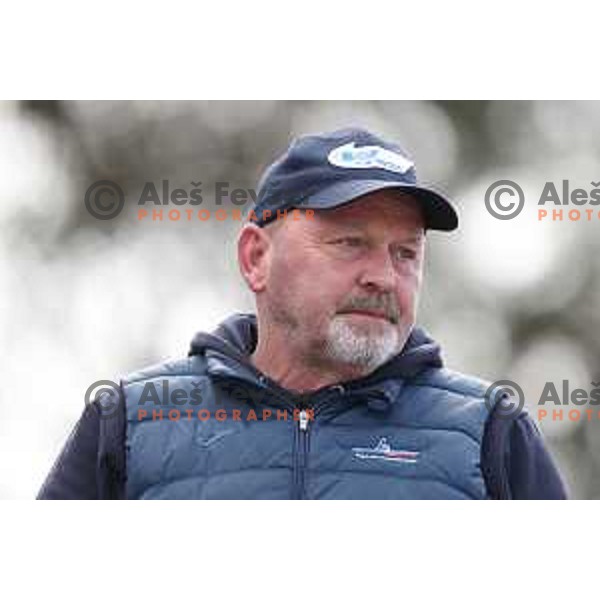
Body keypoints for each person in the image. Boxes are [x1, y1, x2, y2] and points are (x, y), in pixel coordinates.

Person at [38, 127, 567, 500]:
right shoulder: (132, 420)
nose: (383, 276)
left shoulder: (490, 432)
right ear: (256, 258)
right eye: (350, 242)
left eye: (405, 253)